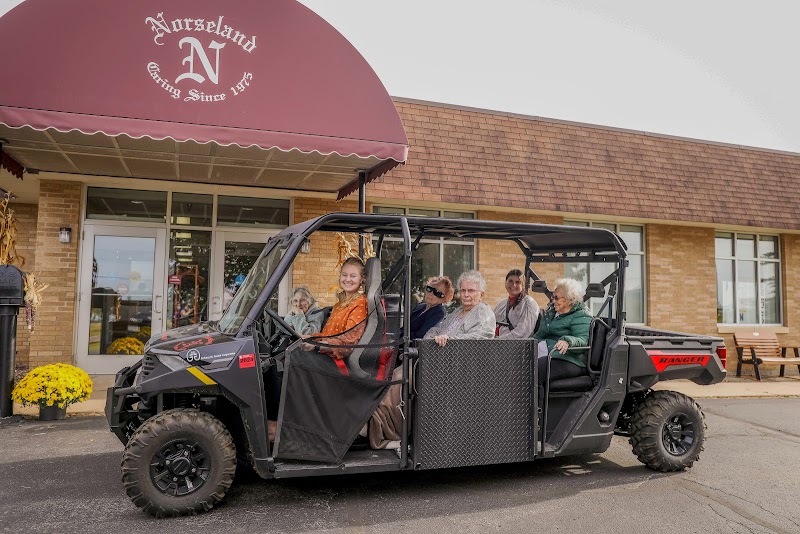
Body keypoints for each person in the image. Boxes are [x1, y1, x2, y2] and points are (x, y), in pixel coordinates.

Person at [533, 278, 592, 406]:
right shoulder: (552, 314)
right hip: (550, 353)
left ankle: (536, 417)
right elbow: (539, 335)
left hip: (571, 359)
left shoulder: (581, 315)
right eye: (553, 297)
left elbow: (584, 340)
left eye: (557, 298)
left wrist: (568, 341)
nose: (553, 300)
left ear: (570, 299)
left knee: (535, 370)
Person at [305, 256, 369, 363]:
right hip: (326, 354)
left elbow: (348, 343)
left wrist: (317, 346)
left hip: (338, 362)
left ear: (361, 279)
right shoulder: (340, 304)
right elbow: (328, 335)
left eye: (353, 276)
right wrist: (308, 337)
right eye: (344, 275)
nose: (347, 279)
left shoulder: (360, 303)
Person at [424, 270, 495, 346]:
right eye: (463, 290)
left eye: (471, 291)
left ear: (481, 295)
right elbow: (439, 329)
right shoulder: (458, 311)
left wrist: (449, 340)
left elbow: (482, 337)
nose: (466, 294)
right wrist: (430, 339)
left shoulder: (483, 311)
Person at [493, 269, 540, 339]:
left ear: (523, 284)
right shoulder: (501, 304)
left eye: (518, 282)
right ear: (505, 282)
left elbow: (522, 332)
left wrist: (499, 341)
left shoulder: (529, 303)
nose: (514, 285)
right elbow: (491, 325)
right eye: (510, 281)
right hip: (498, 344)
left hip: (518, 346)